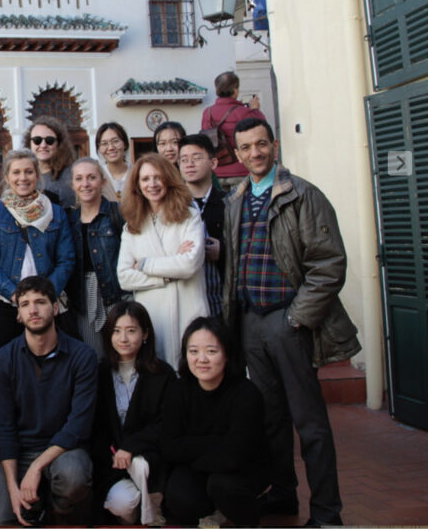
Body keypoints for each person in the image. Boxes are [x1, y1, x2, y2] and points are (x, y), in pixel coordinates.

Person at [222, 117, 359, 526]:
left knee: (309, 423)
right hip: (251, 323)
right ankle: (283, 495)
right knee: (270, 420)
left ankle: (326, 513)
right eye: (245, 147)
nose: (254, 153)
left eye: (261, 144)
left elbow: (329, 264)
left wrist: (298, 317)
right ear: (238, 153)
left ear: (274, 145)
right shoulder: (236, 200)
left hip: (288, 320)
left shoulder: (304, 194)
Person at [0, 276, 96, 527]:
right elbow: (3, 427)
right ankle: (33, 503)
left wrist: (36, 468)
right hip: (19, 453)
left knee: (72, 477)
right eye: (25, 304)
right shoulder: (4, 358)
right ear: (18, 314)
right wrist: (12, 487)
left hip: (64, 450)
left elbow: (79, 425)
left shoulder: (82, 356)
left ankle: (57, 511)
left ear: (55, 308)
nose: (33, 310)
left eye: (40, 302)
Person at [161, 316, 269, 527]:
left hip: (244, 469)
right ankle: (210, 509)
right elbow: (169, 447)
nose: (201, 359)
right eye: (193, 351)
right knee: (180, 496)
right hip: (201, 467)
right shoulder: (178, 390)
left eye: (211, 351)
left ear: (227, 354)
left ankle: (247, 519)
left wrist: (191, 449)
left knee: (222, 486)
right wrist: (218, 441)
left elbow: (236, 455)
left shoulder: (246, 393)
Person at [0, 149, 76, 357]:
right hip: (2, 301)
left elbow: (66, 260)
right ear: (7, 177)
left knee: (48, 364)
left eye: (28, 172)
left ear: (37, 175)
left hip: (45, 303)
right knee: (4, 365)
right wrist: (16, 297)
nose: (23, 178)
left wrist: (42, 297)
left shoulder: (54, 212)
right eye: (16, 172)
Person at [116, 154, 207, 367]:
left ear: (168, 179)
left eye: (158, 177)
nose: (152, 184)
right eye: (145, 179)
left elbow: (190, 264)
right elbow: (124, 277)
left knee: (191, 368)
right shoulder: (132, 225)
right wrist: (167, 275)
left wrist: (146, 264)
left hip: (188, 308)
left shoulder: (189, 216)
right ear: (137, 185)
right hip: (152, 314)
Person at [92, 301, 175, 525]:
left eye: (131, 331)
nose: (123, 339)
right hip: (112, 465)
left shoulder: (162, 373)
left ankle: (151, 515)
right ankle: (143, 516)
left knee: (142, 466)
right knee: (124, 503)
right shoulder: (100, 373)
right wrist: (114, 454)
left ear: (145, 333)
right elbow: (96, 427)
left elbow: (167, 423)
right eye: (116, 331)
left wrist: (132, 448)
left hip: (150, 460)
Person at [65, 157, 125, 361]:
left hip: (116, 295)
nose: (85, 184)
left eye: (91, 177)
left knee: (123, 356)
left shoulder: (118, 214)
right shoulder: (68, 221)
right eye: (79, 179)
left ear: (102, 181)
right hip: (84, 298)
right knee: (94, 359)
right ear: (72, 185)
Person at [179, 134, 226, 318]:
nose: (189, 164)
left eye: (196, 158)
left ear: (213, 163)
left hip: (222, 297)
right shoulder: (173, 207)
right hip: (186, 299)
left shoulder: (230, 203)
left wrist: (222, 250)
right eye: (184, 160)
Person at [201, 71, 266, 189]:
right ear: (235, 90)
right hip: (240, 170)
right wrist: (255, 110)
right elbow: (262, 129)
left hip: (216, 170)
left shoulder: (207, 113)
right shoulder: (243, 112)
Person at [23, 115, 77, 207]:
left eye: (49, 140)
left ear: (59, 144)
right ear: (29, 143)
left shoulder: (72, 174)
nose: (43, 145)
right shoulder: (23, 176)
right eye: (37, 140)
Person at [95, 121, 132, 202]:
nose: (111, 147)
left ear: (125, 143)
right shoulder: (96, 176)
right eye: (104, 143)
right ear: (99, 148)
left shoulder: (137, 173)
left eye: (115, 141)